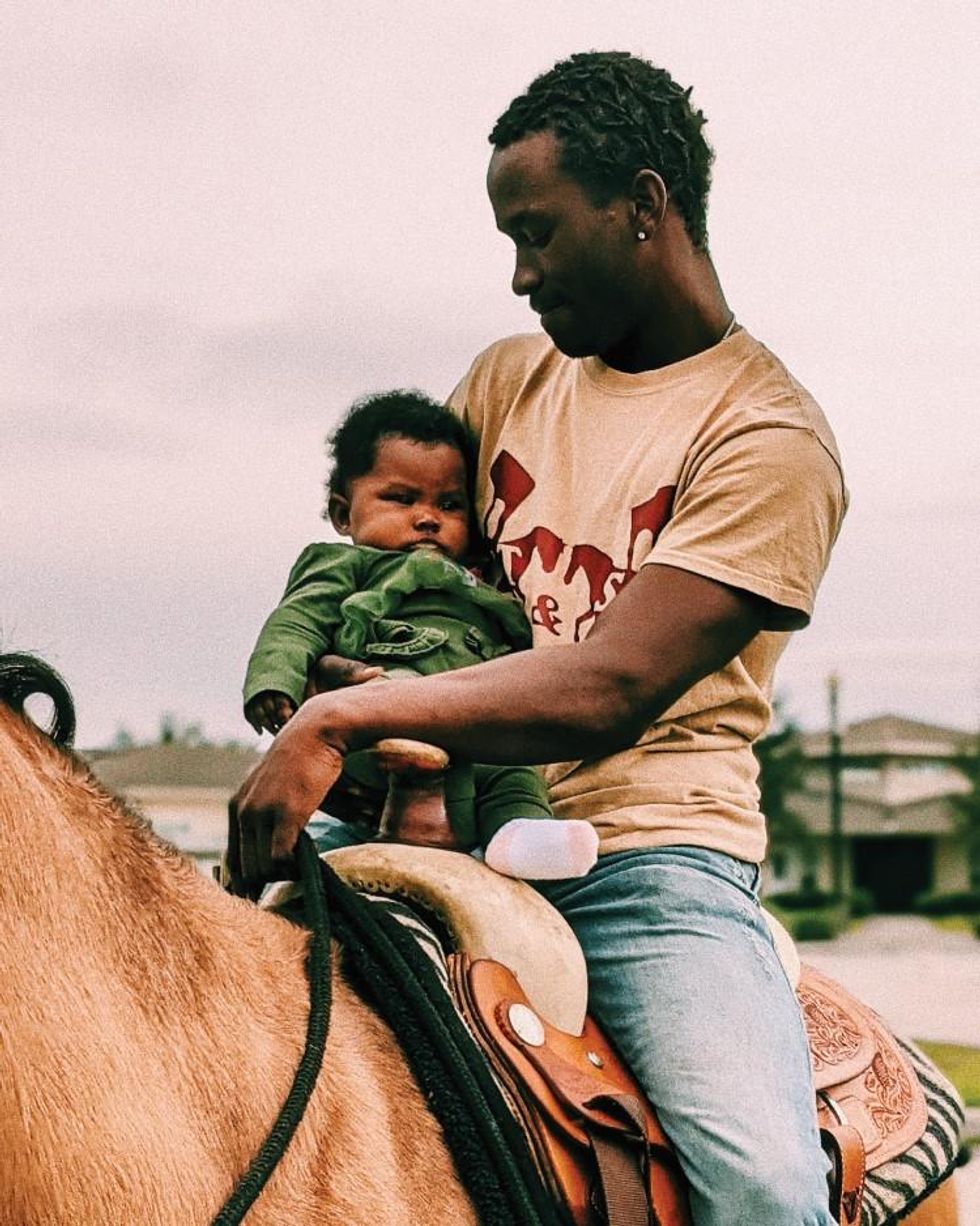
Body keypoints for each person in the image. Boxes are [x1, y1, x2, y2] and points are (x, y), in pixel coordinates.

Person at [231, 51, 846, 1225]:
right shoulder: (507, 380)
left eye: (539, 233)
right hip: (426, 816)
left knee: (761, 1188)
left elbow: (608, 684)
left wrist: (347, 710)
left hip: (641, 852)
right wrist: (317, 664)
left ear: (645, 208)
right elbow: (390, 569)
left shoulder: (766, 437)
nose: (517, 276)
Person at [242, 388, 599, 881]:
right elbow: (296, 621)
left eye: (449, 504)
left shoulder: (479, 582)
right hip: (386, 707)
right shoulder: (345, 565)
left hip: (477, 726)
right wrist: (273, 681)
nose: (428, 516)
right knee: (394, 697)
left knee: (514, 772)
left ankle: (522, 838)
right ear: (344, 513)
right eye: (401, 498)